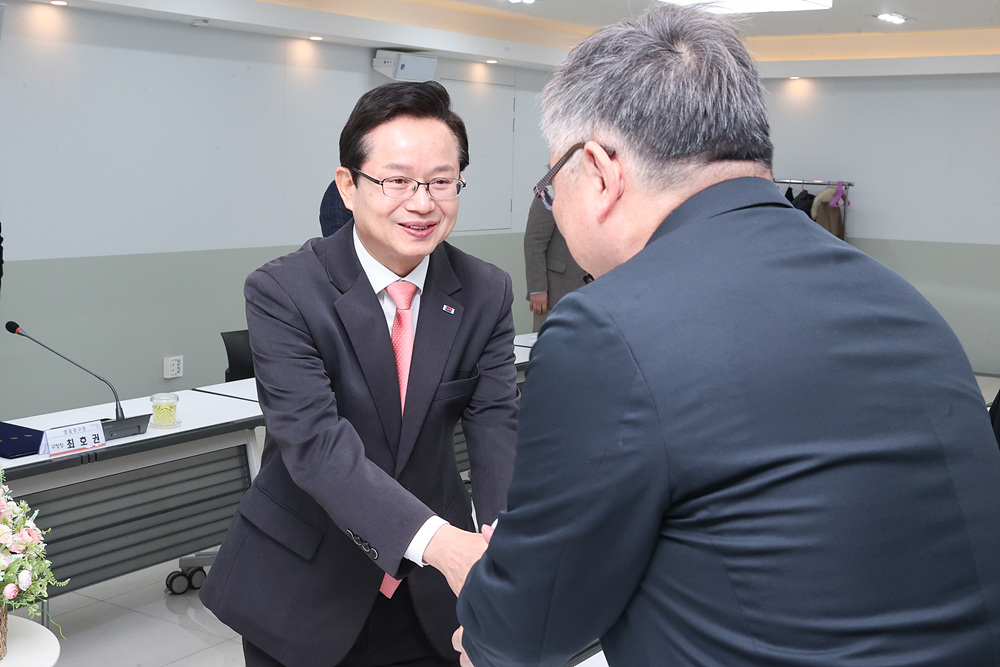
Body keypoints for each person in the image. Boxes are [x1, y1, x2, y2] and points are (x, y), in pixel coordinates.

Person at [453, 5, 1000, 666]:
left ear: (598, 170)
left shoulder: (607, 328)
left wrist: (484, 608)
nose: (555, 209)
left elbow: (523, 631)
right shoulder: (902, 303)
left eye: (551, 188)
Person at [200, 80, 519, 667]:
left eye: (442, 181)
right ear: (348, 186)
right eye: (396, 181)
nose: (422, 203)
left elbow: (496, 422)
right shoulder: (283, 290)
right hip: (305, 583)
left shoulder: (485, 291)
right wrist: (444, 544)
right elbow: (316, 445)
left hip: (431, 598)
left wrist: (500, 543)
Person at [523, 196, 588, 331]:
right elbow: (534, 242)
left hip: (592, 290)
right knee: (548, 340)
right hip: (555, 291)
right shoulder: (548, 192)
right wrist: (538, 289)